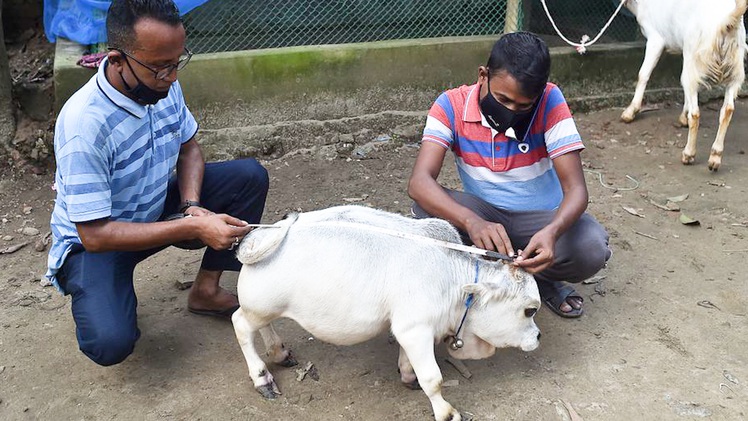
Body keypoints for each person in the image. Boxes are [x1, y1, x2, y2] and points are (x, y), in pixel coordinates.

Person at [45, 0, 269, 366]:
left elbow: (189, 149)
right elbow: (95, 235)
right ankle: (104, 294)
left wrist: (190, 205)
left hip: (153, 208)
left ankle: (206, 291)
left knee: (248, 177)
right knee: (110, 342)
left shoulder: (159, 84)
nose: (173, 76)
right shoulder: (84, 125)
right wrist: (193, 226)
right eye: (162, 67)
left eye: (177, 62)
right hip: (95, 242)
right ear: (116, 60)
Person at [408, 32, 610, 318]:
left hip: (541, 218)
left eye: (524, 105)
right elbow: (419, 182)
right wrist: (472, 221)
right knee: (424, 211)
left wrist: (551, 232)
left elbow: (577, 190)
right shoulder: (450, 105)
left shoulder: (550, 100)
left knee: (589, 248)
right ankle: (487, 274)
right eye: (503, 98)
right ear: (482, 75)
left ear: (539, 94)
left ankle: (542, 278)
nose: (511, 110)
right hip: (484, 214)